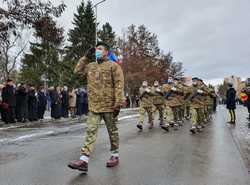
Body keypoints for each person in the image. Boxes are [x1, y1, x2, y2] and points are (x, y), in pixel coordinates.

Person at [68, 42, 125, 173]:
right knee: (90, 130)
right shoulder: (90, 66)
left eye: (100, 49)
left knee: (112, 132)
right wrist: (85, 57)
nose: (97, 51)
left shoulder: (113, 66)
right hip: (94, 106)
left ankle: (115, 154)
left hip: (109, 106)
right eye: (96, 49)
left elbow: (119, 85)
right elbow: (77, 72)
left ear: (106, 52)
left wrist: (118, 103)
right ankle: (84, 160)